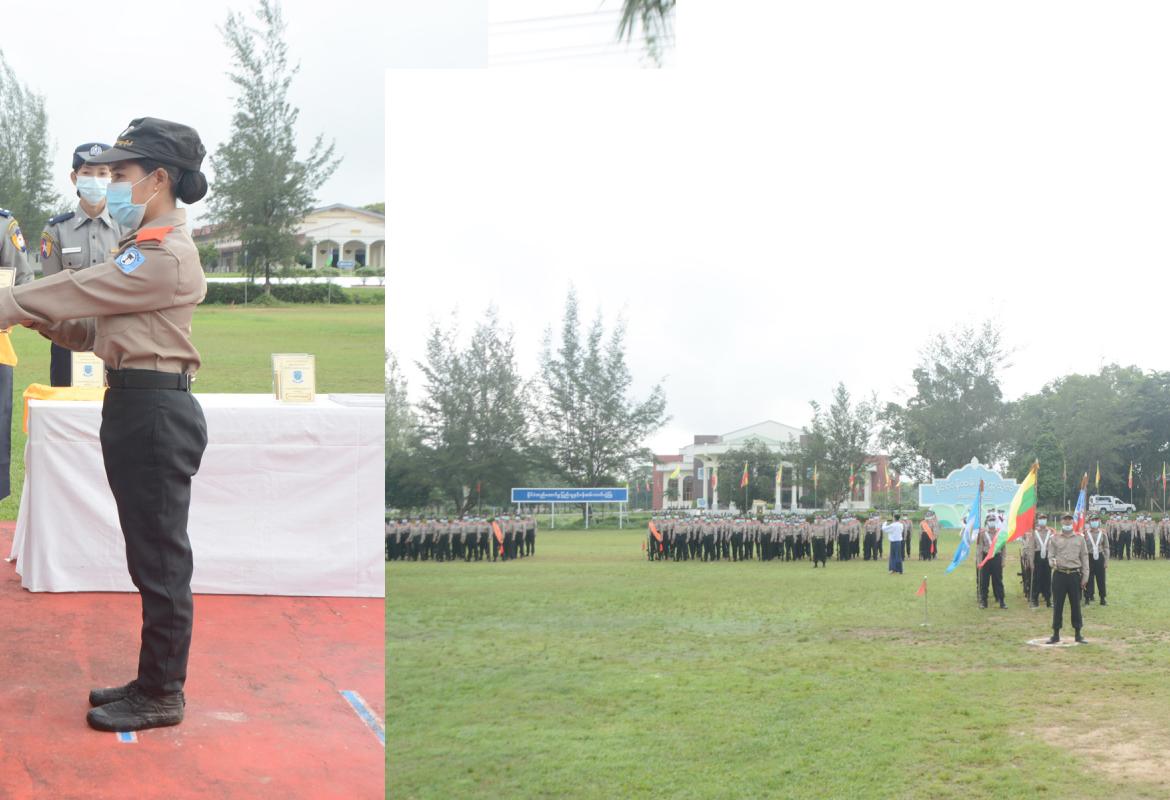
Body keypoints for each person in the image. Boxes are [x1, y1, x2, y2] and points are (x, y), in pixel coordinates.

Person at [0, 118, 210, 732]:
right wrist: (37, 319)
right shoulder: (141, 246)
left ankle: (162, 693)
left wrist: (11, 304)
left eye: (120, 173)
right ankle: (153, 679)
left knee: (160, 561)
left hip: (154, 412)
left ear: (158, 178)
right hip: (136, 404)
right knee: (150, 555)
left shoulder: (163, 253)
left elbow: (80, 286)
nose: (110, 183)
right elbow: (92, 330)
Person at [38, 143, 125, 386]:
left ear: (112, 178)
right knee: (66, 405)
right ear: (74, 178)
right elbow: (51, 291)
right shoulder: (56, 230)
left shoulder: (127, 229)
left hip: (117, 340)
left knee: (117, 405)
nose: (95, 179)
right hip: (68, 340)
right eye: (87, 173)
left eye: (102, 173)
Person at [1047, 513, 1089, 644]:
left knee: (1076, 605)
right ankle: (1055, 634)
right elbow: (1050, 555)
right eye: (1065, 520)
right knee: (1057, 605)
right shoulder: (1054, 538)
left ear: (1072, 522)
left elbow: (1084, 557)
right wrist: (1052, 562)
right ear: (1061, 522)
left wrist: (1085, 576)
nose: (1067, 522)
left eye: (1069, 520)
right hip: (1059, 574)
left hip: (1074, 575)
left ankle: (1078, 633)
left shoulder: (1080, 538)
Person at [1027, 515, 1054, 608]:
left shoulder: (1050, 532)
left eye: (1044, 519)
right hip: (1037, 556)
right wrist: (1031, 562)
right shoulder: (1034, 532)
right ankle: (1035, 599)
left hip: (1047, 556)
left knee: (1048, 579)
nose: (1042, 520)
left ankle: (1048, 600)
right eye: (1041, 519)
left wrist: (1053, 559)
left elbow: (1053, 546)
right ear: (1038, 520)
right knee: (1036, 579)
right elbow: (1031, 548)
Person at [1083, 514, 1108, 605]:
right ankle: (1087, 597)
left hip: (1100, 557)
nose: (1094, 522)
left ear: (1099, 521)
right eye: (1092, 520)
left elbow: (1106, 547)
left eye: (1096, 520)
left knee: (1101, 579)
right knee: (1088, 578)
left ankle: (1102, 598)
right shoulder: (1085, 533)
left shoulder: (1103, 533)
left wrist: (1106, 561)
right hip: (1089, 557)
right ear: (1089, 522)